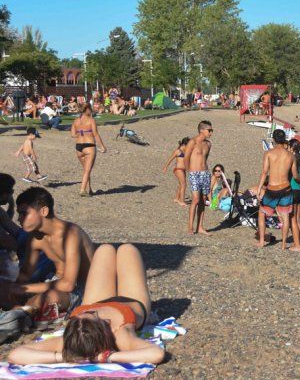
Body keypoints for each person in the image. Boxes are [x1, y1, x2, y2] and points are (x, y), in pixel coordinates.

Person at [8, 244, 165, 365]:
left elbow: (15, 354)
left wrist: (61, 357)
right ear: (104, 328)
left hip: (95, 300)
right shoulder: (121, 335)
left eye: (76, 318)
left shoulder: (70, 339)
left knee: (105, 249)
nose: (94, 313)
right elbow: (156, 353)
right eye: (93, 315)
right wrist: (107, 357)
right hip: (130, 301)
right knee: (127, 249)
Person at [7, 187, 95, 320]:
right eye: (19, 214)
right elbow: (25, 274)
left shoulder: (70, 234)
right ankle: (21, 311)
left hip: (81, 290)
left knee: (49, 298)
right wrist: (11, 285)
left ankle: (19, 313)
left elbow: (69, 284)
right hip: (53, 283)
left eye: (24, 213)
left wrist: (24, 288)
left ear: (44, 211)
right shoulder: (36, 237)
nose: (19, 219)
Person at [255, 129, 299, 250]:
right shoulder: (291, 156)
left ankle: (262, 241)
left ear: (273, 140)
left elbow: (264, 172)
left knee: (262, 214)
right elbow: (295, 175)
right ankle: (284, 244)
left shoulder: (269, 153)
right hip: (285, 188)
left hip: (272, 189)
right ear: (284, 139)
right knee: (285, 218)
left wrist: (259, 188)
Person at [183, 120, 213, 235]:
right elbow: (186, 158)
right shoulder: (193, 142)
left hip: (205, 173)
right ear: (202, 130)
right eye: (209, 130)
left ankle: (200, 227)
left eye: (211, 130)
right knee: (195, 199)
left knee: (203, 200)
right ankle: (190, 227)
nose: (211, 132)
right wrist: (189, 171)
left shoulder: (208, 144)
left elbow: (205, 159)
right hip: (194, 173)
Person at [70, 104, 106, 197]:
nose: (91, 111)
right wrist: (102, 146)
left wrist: (81, 133)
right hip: (89, 145)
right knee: (87, 170)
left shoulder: (76, 121)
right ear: (87, 110)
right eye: (90, 109)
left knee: (86, 170)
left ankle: (89, 189)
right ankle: (82, 190)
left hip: (78, 147)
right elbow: (96, 134)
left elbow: (73, 134)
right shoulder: (91, 120)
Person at [288, 139, 300, 247]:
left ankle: (297, 245)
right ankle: (299, 241)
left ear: (291, 147)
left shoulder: (292, 158)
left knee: (293, 219)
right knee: (298, 218)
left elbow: (294, 176)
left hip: (293, 188)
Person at [162, 137, 189, 207]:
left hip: (183, 170)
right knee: (184, 184)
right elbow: (170, 159)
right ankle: (181, 201)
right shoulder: (178, 151)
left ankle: (177, 198)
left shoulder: (185, 152)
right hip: (178, 169)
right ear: (184, 144)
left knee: (180, 184)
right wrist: (165, 167)